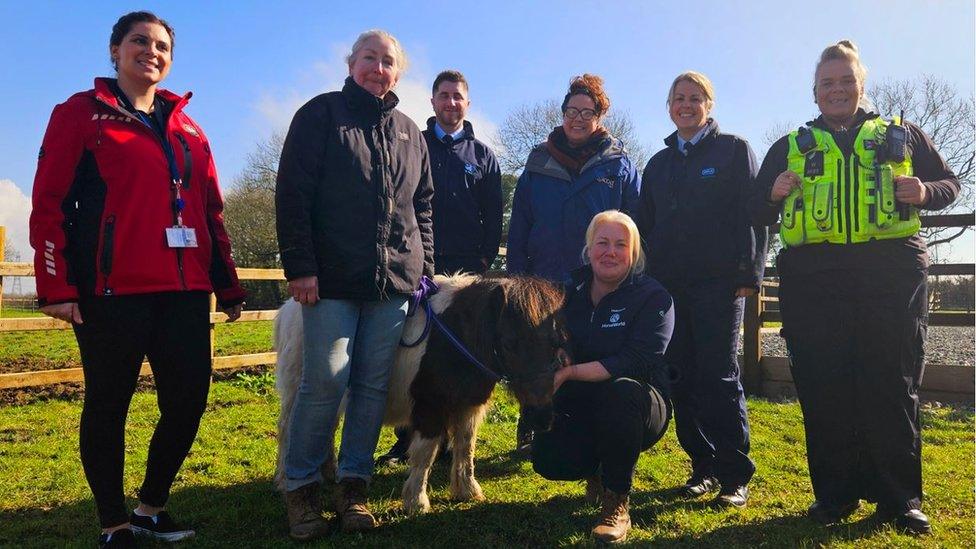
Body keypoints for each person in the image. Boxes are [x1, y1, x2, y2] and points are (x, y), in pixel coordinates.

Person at [28, 11, 246, 548]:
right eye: (139, 41)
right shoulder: (80, 114)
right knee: (109, 402)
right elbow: (48, 204)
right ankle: (113, 524)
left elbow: (208, 212)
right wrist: (56, 285)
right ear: (115, 49)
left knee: (190, 399)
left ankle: (150, 506)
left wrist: (228, 283)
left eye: (162, 45)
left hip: (185, 291)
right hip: (112, 292)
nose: (152, 51)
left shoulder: (190, 128)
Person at [750, 41, 959, 534]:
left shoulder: (901, 134)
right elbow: (755, 214)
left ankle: (900, 499)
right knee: (824, 388)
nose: (837, 90)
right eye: (828, 83)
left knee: (892, 384)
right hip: (813, 281)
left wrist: (925, 192)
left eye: (846, 81)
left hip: (891, 275)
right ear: (815, 92)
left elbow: (950, 183)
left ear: (862, 86)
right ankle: (835, 496)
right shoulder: (790, 145)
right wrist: (772, 193)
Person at [274, 29, 434, 540]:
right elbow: (293, 194)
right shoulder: (320, 116)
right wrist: (300, 267)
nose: (377, 68)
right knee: (323, 384)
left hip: (392, 287)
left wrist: (422, 267)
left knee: (370, 389)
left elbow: (422, 206)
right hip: (331, 283)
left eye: (388, 62)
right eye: (369, 58)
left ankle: (354, 489)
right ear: (351, 62)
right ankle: (300, 489)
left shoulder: (410, 131)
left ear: (398, 73)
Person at [633, 71, 767, 508]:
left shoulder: (734, 151)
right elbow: (644, 227)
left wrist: (751, 275)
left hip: (719, 285)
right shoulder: (658, 164)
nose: (686, 105)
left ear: (709, 104)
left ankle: (734, 473)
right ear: (669, 106)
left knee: (719, 374)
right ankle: (702, 467)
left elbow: (755, 217)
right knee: (682, 376)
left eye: (694, 98)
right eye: (678, 98)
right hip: (668, 288)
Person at [507, 73, 641, 452]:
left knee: (587, 350)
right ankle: (531, 425)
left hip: (597, 279)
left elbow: (634, 225)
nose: (578, 118)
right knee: (536, 351)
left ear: (600, 116)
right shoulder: (537, 163)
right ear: (562, 112)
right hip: (543, 277)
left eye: (587, 111)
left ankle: (580, 427)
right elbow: (520, 225)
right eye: (571, 110)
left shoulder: (619, 166)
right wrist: (517, 277)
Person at [378, 69, 502, 464]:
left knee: (460, 352)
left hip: (466, 268)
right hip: (418, 264)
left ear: (467, 103)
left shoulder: (482, 155)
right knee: (409, 347)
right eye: (444, 95)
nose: (451, 102)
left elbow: (493, 213)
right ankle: (408, 436)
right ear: (433, 101)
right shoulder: (415, 144)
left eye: (457, 96)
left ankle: (451, 440)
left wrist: (483, 258)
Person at [532, 210, 674, 544]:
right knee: (549, 461)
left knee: (621, 392)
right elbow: (551, 340)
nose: (610, 251)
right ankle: (596, 469)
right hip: (584, 400)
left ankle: (616, 501)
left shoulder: (654, 297)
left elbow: (637, 360)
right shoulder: (569, 293)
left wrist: (571, 371)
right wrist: (559, 353)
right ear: (589, 248)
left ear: (634, 253)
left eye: (621, 244)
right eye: (603, 243)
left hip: (639, 403)